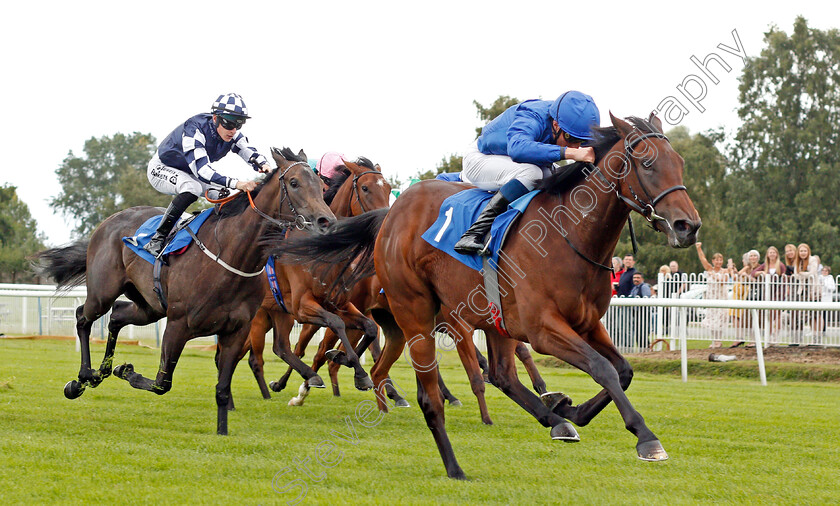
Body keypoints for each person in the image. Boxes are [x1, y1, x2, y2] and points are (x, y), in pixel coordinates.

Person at [454, 91, 600, 255]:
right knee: (532, 174)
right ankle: (474, 233)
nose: (575, 146)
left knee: (554, 176)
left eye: (580, 141)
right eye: (570, 138)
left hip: (509, 161)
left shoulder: (570, 122)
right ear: (556, 125)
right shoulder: (532, 115)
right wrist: (570, 153)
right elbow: (518, 149)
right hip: (480, 158)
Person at [145, 93, 270, 257]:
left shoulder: (232, 133)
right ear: (215, 118)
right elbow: (202, 170)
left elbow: (248, 151)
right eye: (229, 123)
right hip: (162, 168)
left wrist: (265, 166)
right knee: (192, 187)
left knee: (224, 194)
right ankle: (157, 238)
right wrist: (237, 183)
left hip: (189, 171)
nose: (233, 130)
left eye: (238, 125)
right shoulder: (194, 129)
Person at [696, 242, 734, 348]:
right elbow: (703, 259)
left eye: (720, 260)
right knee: (712, 320)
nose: (719, 262)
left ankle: (719, 340)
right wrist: (699, 248)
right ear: (713, 261)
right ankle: (714, 340)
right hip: (711, 298)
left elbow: (723, 282)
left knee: (720, 319)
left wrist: (714, 276)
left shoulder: (725, 271)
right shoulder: (709, 269)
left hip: (721, 298)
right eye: (716, 260)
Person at [791, 243, 821, 344]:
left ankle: (816, 339)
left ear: (808, 251)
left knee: (815, 315)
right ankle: (798, 339)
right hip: (803, 290)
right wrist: (803, 275)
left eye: (805, 251)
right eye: (801, 251)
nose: (803, 253)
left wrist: (802, 274)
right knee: (803, 315)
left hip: (813, 290)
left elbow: (812, 273)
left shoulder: (813, 260)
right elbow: (796, 275)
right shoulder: (798, 262)